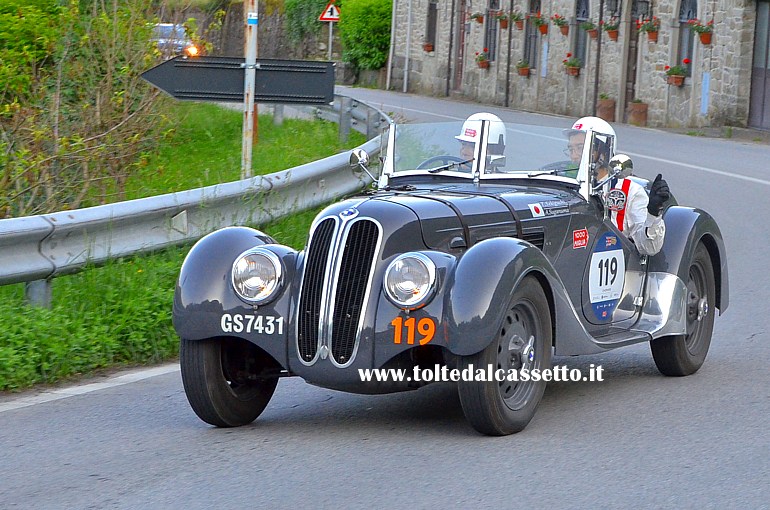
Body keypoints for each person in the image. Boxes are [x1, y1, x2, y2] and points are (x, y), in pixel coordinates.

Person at [566, 116, 670, 256]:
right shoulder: (568, 186)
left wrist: (653, 213)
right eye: (571, 149)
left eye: (580, 148)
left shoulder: (630, 191)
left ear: (603, 149)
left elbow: (649, 248)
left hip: (620, 266)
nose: (574, 156)